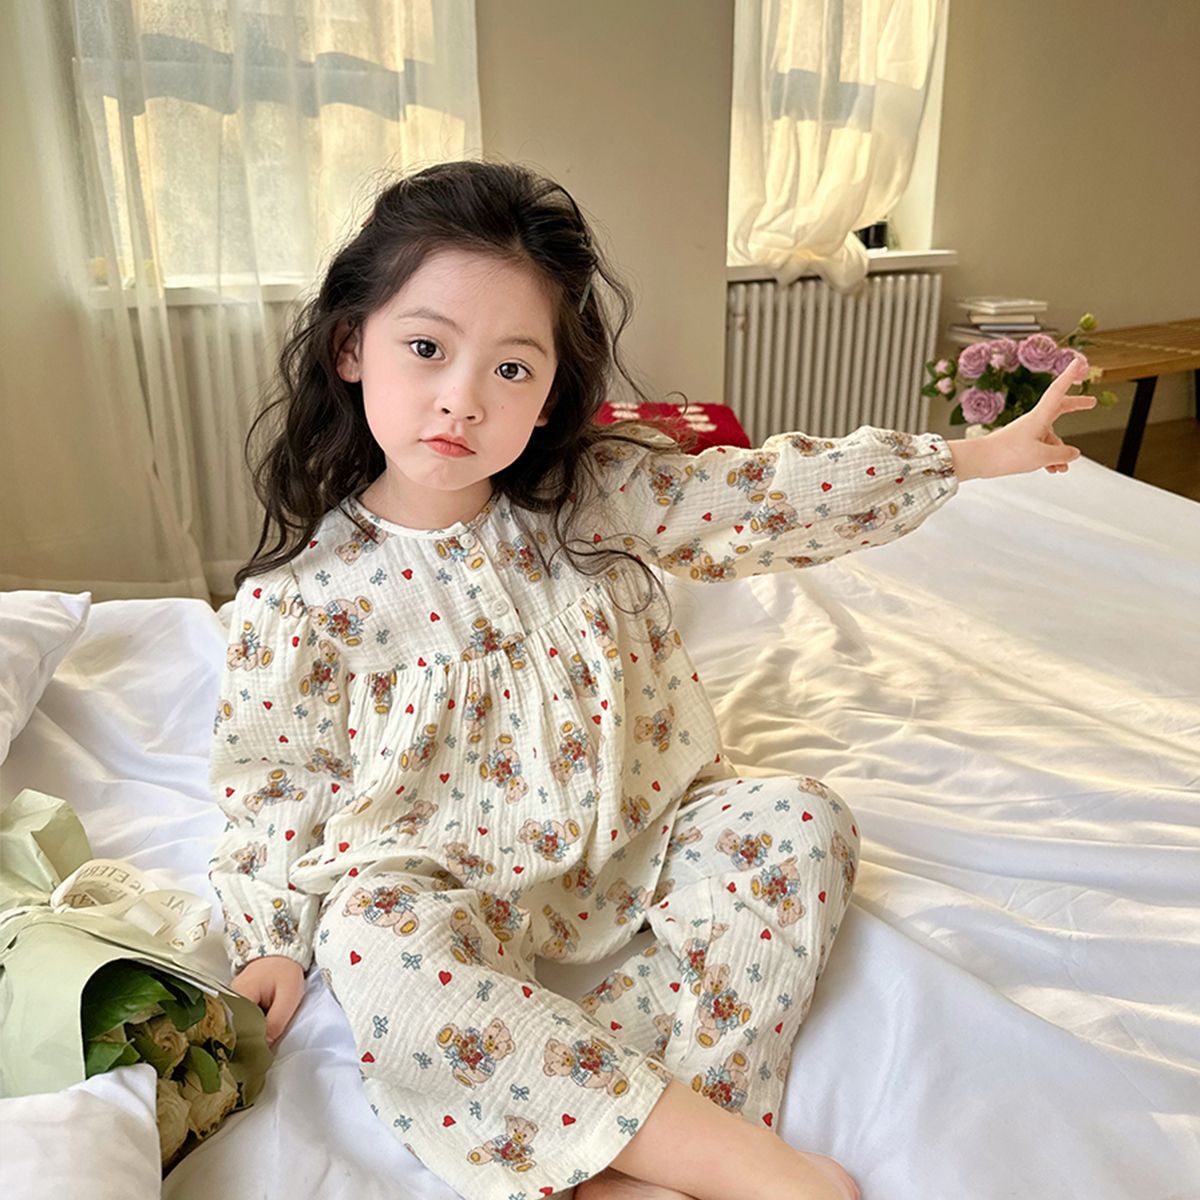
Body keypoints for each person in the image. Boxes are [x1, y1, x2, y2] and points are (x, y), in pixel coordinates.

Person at [206, 158, 1097, 1200]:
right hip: (444, 875)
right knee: (369, 942)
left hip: (642, 836)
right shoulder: (300, 601)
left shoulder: (594, 497)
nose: (462, 399)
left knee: (796, 822)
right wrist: (270, 937)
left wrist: (965, 458)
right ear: (352, 346)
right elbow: (274, 782)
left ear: (549, 396)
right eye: (427, 348)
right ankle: (749, 1172)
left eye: (511, 368)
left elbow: (763, 494)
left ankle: (657, 1138)